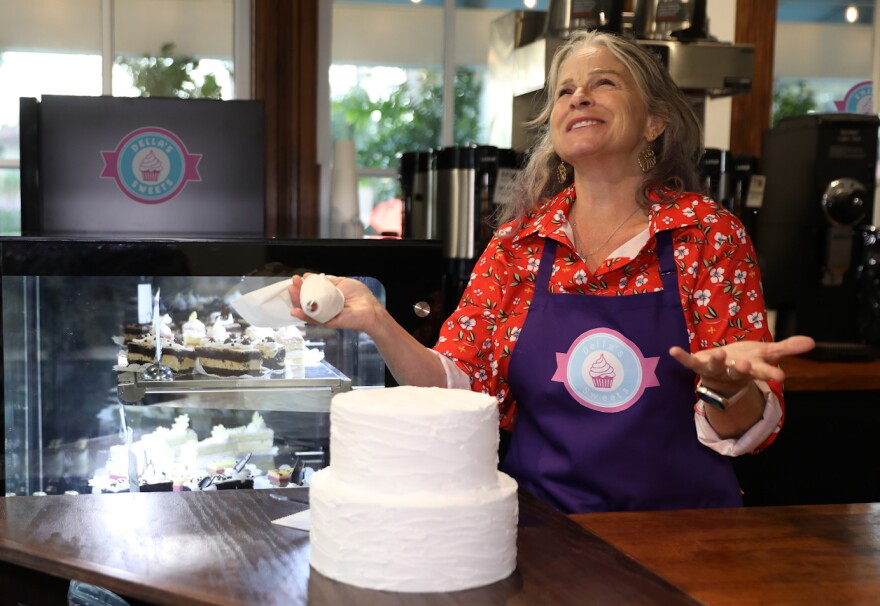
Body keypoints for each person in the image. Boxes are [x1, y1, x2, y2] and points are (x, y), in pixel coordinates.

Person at [289, 30, 815, 514]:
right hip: (547, 534)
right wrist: (377, 320)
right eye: (565, 91)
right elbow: (458, 389)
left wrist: (727, 388)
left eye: (603, 83)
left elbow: (747, 428)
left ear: (655, 121)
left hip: (682, 535)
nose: (579, 97)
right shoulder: (518, 246)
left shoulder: (707, 235)